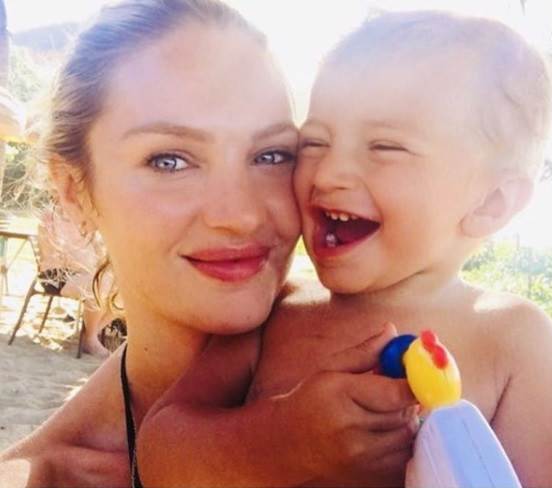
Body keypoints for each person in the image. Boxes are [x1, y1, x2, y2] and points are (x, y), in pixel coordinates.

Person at [138, 10, 552, 488]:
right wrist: (280, 442)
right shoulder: (277, 311)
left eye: (385, 147)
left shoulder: (515, 340)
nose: (328, 174)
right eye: (314, 143)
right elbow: (159, 449)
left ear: (490, 202)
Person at [0, 1, 416, 487]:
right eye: (169, 161)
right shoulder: (43, 477)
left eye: (271, 155)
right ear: (74, 190)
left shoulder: (407, 367)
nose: (240, 216)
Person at [37, 206, 113, 357]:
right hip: (56, 276)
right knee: (98, 284)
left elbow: (99, 251)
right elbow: (50, 254)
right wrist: (83, 264)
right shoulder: (50, 217)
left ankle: (87, 335)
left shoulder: (86, 218)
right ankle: (90, 340)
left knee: (124, 290)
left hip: (84, 273)